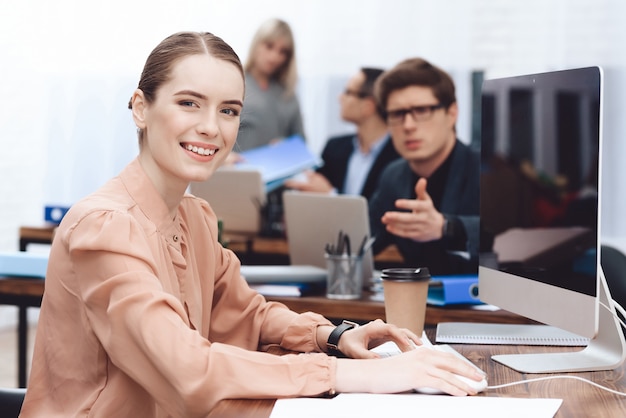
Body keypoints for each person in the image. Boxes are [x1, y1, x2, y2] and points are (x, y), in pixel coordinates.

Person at [20, 33, 484, 417]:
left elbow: (246, 316)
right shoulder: (104, 227)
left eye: (228, 110)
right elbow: (186, 368)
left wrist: (335, 335)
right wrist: (353, 373)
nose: (211, 127)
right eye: (189, 103)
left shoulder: (195, 217)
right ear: (140, 107)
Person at [369, 58, 480, 275]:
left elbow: (512, 239)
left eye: (421, 110)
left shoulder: (486, 169)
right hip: (420, 302)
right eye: (397, 114)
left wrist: (445, 227)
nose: (408, 125)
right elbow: (366, 238)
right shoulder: (393, 175)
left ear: (451, 114)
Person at [284, 67, 400, 199]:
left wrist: (331, 196)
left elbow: (382, 212)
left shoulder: (400, 157)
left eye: (348, 92)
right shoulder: (334, 148)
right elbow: (311, 193)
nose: (340, 97)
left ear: (369, 105)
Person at [236, 18, 305, 152]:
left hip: (279, 169)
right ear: (256, 44)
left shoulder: (288, 94)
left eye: (283, 52)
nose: (274, 57)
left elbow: (301, 143)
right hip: (238, 169)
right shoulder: (234, 83)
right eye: (269, 46)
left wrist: (288, 147)